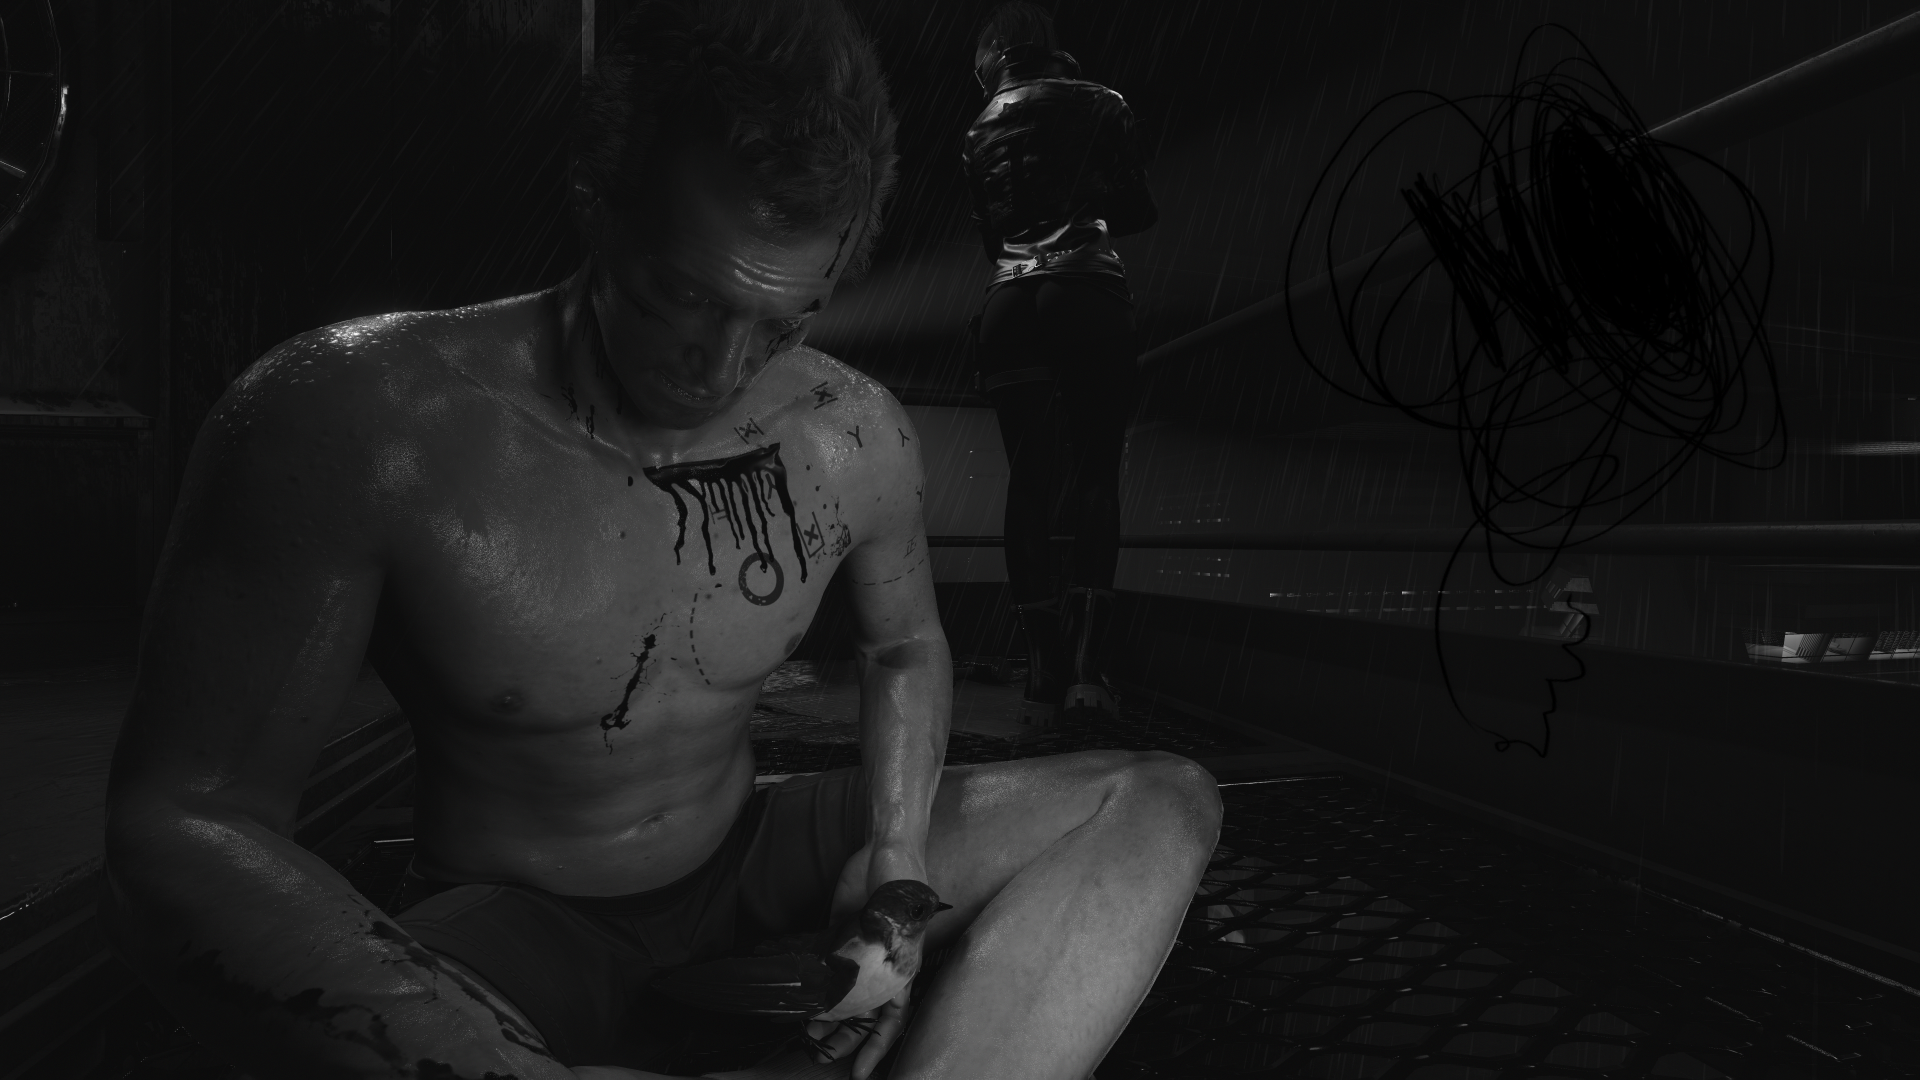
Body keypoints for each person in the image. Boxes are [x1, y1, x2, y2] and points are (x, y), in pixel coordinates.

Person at [100, 1, 1219, 1078]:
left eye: (782, 321)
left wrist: (896, 862)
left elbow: (903, 646)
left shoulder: (851, 430)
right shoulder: (359, 419)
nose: (722, 368)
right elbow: (184, 818)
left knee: (1158, 802)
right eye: (685, 297)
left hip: (754, 854)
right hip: (515, 921)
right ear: (598, 201)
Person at [960, 2, 1158, 729]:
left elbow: (993, 237)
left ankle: (1041, 669)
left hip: (1008, 301)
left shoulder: (979, 127)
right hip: (1085, 289)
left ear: (992, 58)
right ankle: (1086, 673)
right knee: (1097, 473)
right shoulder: (1101, 102)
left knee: (1029, 482)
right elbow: (1137, 209)